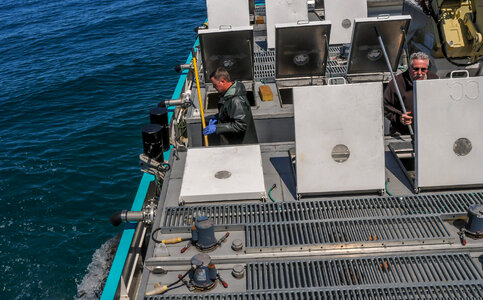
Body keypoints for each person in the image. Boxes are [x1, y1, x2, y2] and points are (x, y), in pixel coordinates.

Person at [383, 51, 439, 135]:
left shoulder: (434, 79)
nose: (419, 73)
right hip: (405, 133)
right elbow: (384, 106)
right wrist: (399, 118)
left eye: (423, 69)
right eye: (416, 69)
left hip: (431, 130)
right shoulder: (396, 83)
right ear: (409, 68)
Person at [203, 67, 258, 144]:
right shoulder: (227, 95)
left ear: (223, 81)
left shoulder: (236, 101)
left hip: (240, 145)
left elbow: (241, 125)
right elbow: (229, 112)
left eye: (215, 85)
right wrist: (218, 116)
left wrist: (217, 127)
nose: (214, 87)